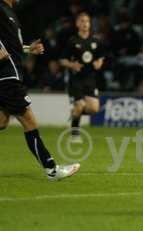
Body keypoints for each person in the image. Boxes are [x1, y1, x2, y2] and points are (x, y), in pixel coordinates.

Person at [0, 0, 79, 181]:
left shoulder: (9, 12)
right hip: (7, 76)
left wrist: (29, 49)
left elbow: (11, 45)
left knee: (2, 122)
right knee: (30, 122)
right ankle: (52, 169)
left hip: (8, 75)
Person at [60, 12, 104, 143]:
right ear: (77, 24)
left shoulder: (95, 40)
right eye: (82, 21)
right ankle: (75, 135)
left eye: (87, 21)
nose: (85, 24)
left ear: (90, 24)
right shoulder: (73, 41)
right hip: (76, 80)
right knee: (80, 105)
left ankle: (76, 112)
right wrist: (72, 64)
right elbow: (62, 60)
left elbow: (101, 56)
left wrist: (99, 62)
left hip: (90, 79)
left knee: (94, 109)